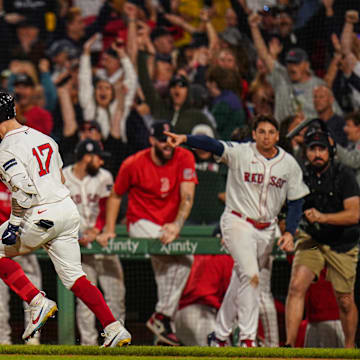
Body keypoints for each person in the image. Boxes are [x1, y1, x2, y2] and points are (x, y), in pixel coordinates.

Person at [165, 115, 309, 347]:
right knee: (252, 277)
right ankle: (247, 338)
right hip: (237, 222)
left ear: (277, 136)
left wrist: (290, 232)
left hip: (267, 229)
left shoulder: (288, 163)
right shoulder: (241, 152)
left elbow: (296, 202)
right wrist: (185, 138)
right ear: (254, 134)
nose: (266, 136)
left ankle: (219, 335)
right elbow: (212, 144)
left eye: (271, 132)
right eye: (261, 131)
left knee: (240, 279)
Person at [0, 91, 131, 347]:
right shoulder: (43, 137)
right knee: (74, 277)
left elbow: (24, 193)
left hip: (40, 212)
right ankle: (114, 327)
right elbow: (60, 178)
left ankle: (36, 301)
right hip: (68, 211)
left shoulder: (6, 149)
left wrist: (14, 224)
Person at [98, 121, 197, 346]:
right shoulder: (134, 163)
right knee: (183, 260)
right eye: (162, 139)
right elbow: (115, 195)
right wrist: (110, 229)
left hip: (168, 225)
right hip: (141, 222)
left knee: (177, 267)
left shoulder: (184, 157)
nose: (167, 144)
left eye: (171, 139)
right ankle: (162, 316)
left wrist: (177, 225)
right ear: (152, 140)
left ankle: (162, 326)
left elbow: (187, 196)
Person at [284, 125, 360, 348]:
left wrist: (323, 217)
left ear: (330, 152)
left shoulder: (344, 175)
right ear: (306, 152)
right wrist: (288, 230)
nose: (317, 154)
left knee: (345, 301)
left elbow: (355, 214)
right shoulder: (301, 176)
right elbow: (290, 208)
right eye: (312, 149)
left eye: (322, 149)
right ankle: (289, 345)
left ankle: (348, 348)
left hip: (342, 242)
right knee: (297, 286)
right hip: (313, 240)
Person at [62, 139, 126, 345]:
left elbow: (107, 205)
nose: (101, 163)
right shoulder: (63, 177)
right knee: (86, 300)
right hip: (78, 246)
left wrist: (98, 229)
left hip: (101, 243)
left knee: (116, 294)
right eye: (98, 158)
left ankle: (117, 341)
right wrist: (77, 233)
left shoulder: (104, 176)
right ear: (87, 157)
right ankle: (88, 344)